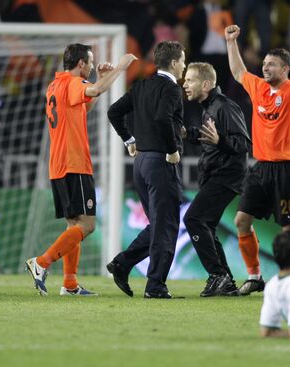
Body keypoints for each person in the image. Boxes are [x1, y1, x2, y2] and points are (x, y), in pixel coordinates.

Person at [24, 44, 136, 296]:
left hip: (58, 166)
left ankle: (70, 284)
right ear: (81, 64)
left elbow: (86, 105)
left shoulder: (56, 85)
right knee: (87, 226)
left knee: (73, 224)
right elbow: (94, 89)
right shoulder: (74, 83)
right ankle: (41, 263)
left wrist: (101, 77)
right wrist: (120, 67)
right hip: (74, 163)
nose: (93, 65)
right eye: (91, 62)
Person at [225, 24, 290, 295]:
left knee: (289, 229)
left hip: (288, 169)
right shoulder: (259, 89)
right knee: (242, 220)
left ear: (285, 69)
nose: (265, 68)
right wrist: (231, 43)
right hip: (261, 167)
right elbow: (239, 72)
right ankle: (254, 276)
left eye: (272, 65)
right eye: (265, 64)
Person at [106, 41, 186, 299]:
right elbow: (163, 117)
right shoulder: (172, 88)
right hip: (161, 162)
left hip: (140, 164)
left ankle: (122, 264)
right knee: (167, 225)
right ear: (174, 63)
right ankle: (155, 286)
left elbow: (113, 112)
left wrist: (129, 140)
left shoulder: (140, 86)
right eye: (182, 61)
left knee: (158, 224)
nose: (184, 65)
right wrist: (172, 149)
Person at [182, 62, 251, 297]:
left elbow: (243, 144)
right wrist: (187, 133)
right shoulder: (210, 107)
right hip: (217, 174)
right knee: (207, 226)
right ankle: (227, 281)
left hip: (227, 175)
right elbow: (209, 139)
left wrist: (220, 141)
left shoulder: (224, 106)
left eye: (190, 80)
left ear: (206, 84)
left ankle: (217, 275)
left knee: (193, 219)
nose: (185, 84)